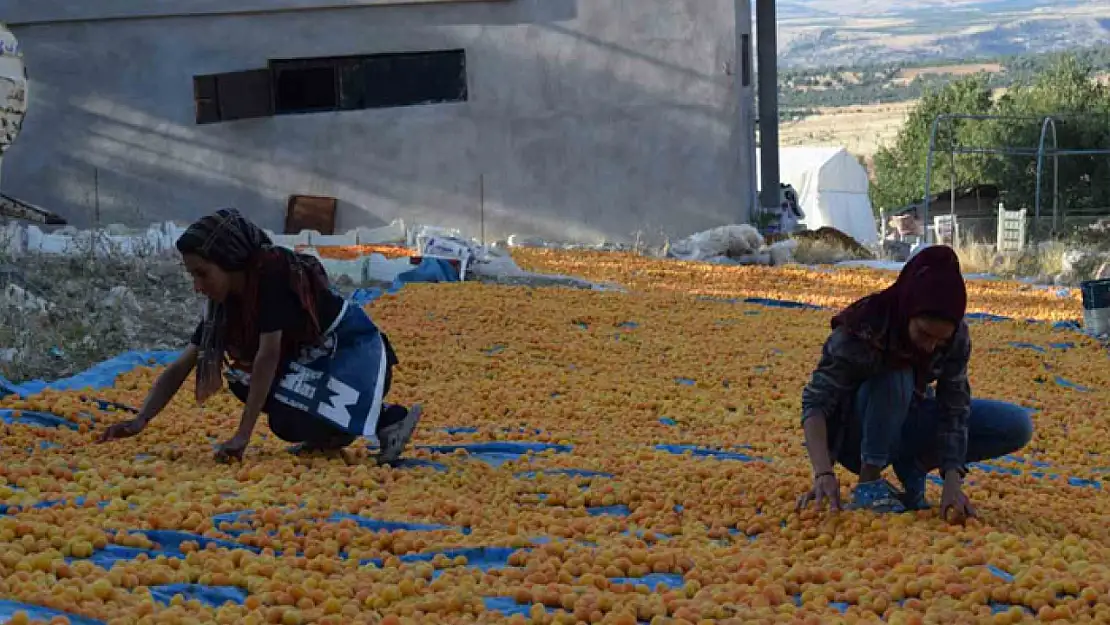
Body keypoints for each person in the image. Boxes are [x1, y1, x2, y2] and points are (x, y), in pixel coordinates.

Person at [98, 208, 422, 465]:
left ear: (229, 261)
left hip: (351, 355)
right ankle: (329, 435)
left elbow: (268, 355)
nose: (198, 286)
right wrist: (140, 420)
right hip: (315, 361)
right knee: (244, 382)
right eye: (192, 275)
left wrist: (242, 435)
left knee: (281, 413)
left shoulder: (272, 276)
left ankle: (389, 420)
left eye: (202, 273)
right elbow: (184, 363)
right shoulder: (224, 306)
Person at [796, 246, 1033, 522]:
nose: (930, 346)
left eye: (940, 340)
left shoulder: (956, 337)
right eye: (924, 333)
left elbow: (954, 406)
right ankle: (868, 482)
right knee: (897, 372)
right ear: (908, 308)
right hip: (856, 434)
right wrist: (823, 472)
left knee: (1016, 425)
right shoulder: (864, 326)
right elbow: (815, 402)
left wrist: (952, 482)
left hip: (910, 415)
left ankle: (914, 464)